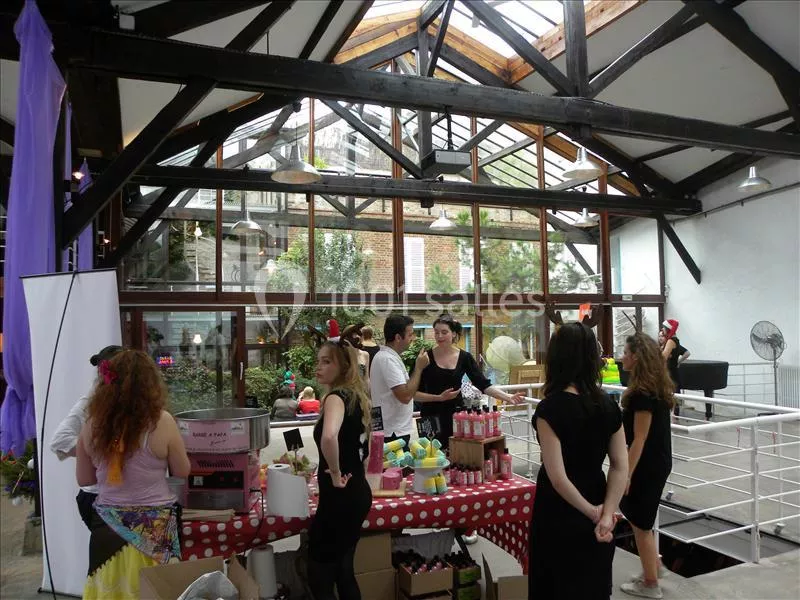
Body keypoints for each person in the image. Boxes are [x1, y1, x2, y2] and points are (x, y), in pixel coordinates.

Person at [76, 350, 190, 599]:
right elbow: (182, 471)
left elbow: (85, 479)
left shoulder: (91, 424)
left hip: (107, 527)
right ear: (150, 384)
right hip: (156, 527)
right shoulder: (162, 421)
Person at [529, 322, 628, 599]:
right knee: (593, 585)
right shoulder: (608, 405)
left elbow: (558, 478)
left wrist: (592, 512)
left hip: (558, 512)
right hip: (598, 499)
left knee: (554, 587)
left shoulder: (550, 409)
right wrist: (607, 514)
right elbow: (620, 465)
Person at [308, 339, 373, 600]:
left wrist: (335, 474)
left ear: (344, 366)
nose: (319, 367)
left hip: (341, 496)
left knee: (320, 572)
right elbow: (363, 449)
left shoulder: (336, 398)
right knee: (344, 569)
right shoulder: (357, 396)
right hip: (357, 491)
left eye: (327, 362)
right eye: (319, 361)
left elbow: (329, 437)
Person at [415, 314, 525, 449]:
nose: (439, 336)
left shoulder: (464, 357)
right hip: (430, 415)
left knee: (457, 453)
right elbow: (414, 393)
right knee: (431, 454)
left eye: (444, 332)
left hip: (456, 415)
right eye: (436, 332)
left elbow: (483, 384)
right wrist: (439, 398)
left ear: (453, 334)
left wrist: (507, 397)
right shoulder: (425, 358)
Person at [619, 333, 674, 599]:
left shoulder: (642, 394)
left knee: (640, 522)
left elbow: (639, 439)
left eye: (625, 353)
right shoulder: (656, 388)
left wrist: (626, 474)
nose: (621, 358)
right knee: (641, 518)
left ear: (636, 357)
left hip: (648, 464)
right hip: (658, 460)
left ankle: (651, 584)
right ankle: (654, 566)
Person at [50, 345, 122, 529]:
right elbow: (59, 440)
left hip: (128, 494)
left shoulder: (138, 403)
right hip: (98, 496)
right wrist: (98, 452)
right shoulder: (90, 402)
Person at [369, 314, 429, 447]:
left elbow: (409, 393)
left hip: (392, 429)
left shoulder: (389, 357)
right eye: (410, 335)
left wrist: (440, 398)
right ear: (398, 337)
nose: (412, 338)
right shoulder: (387, 359)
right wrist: (419, 367)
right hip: (393, 432)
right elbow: (405, 396)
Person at [658, 319, 690, 416]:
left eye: (663, 328)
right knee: (673, 396)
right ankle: (673, 416)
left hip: (670, 373)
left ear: (667, 329)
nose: (662, 330)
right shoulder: (675, 340)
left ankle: (672, 417)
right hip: (671, 371)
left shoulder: (671, 341)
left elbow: (663, 357)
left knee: (671, 396)